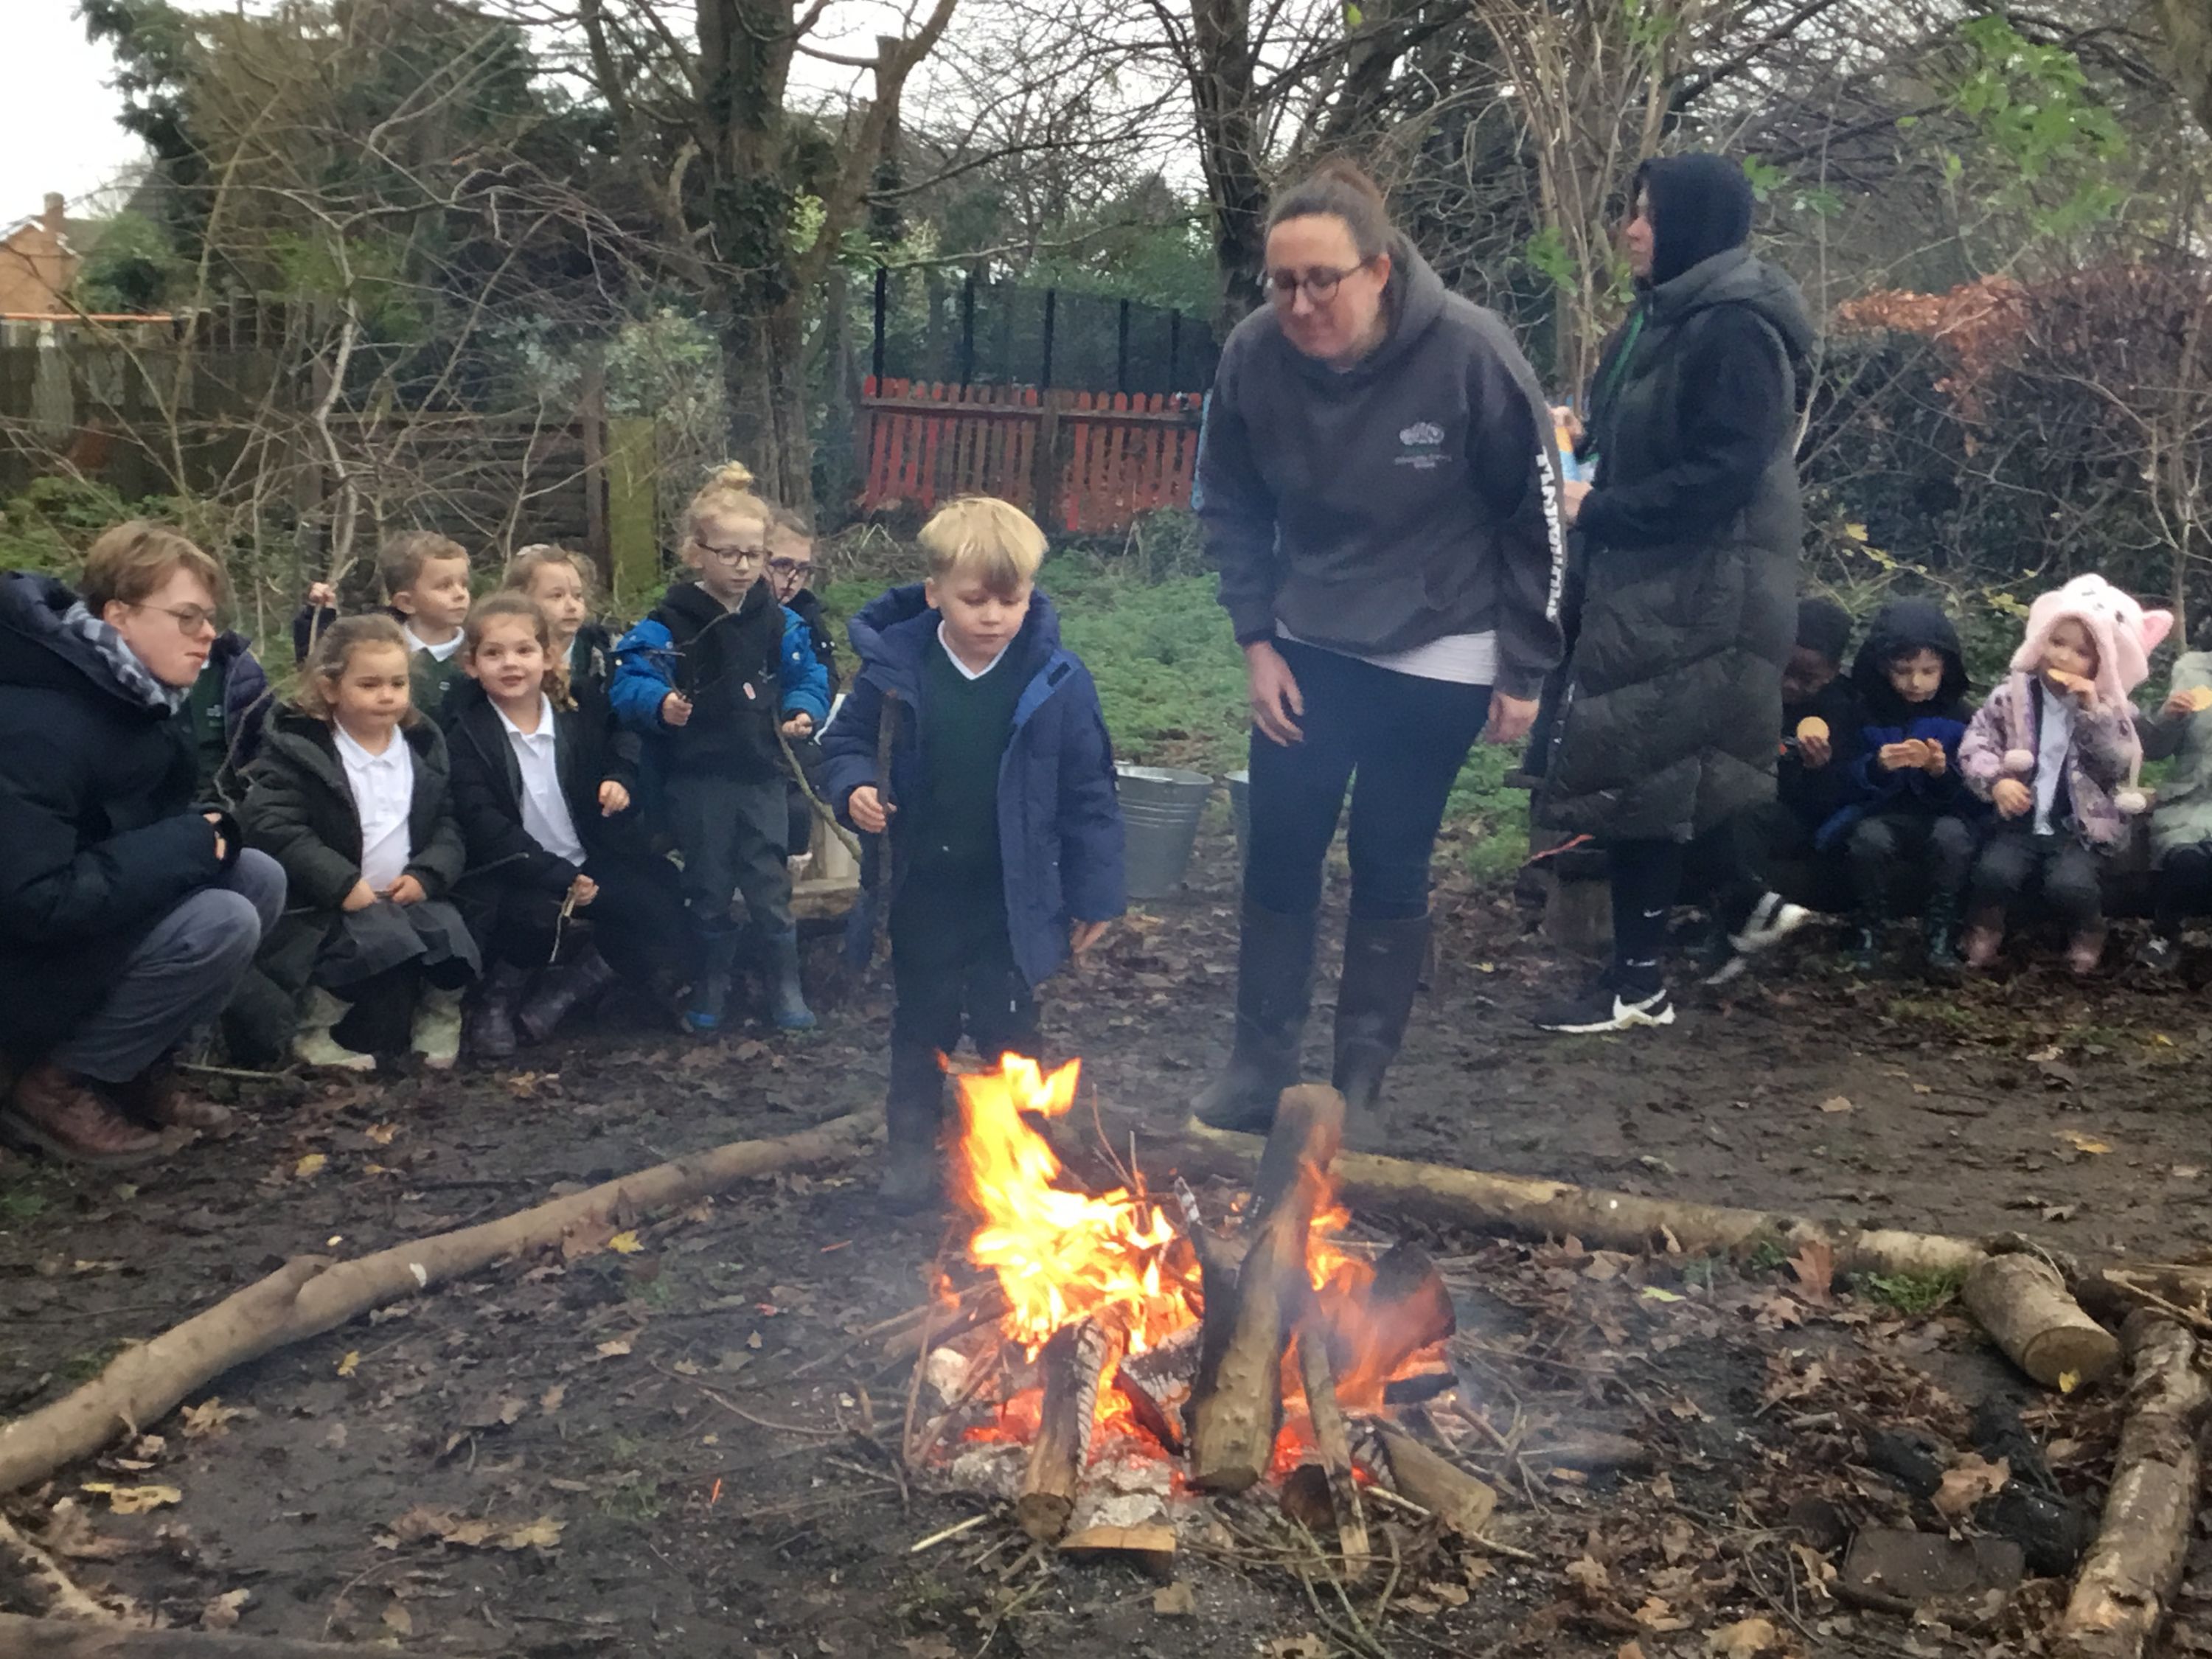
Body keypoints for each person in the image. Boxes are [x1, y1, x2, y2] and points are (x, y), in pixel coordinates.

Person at [1190, 159, 1566, 1129]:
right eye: (1283, 283)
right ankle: (1259, 1065)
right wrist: (1256, 641)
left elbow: (1536, 517)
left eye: (1324, 280)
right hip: (1307, 639)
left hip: (1440, 646)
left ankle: (1358, 1081)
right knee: (1281, 848)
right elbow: (1228, 503)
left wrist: (1524, 664)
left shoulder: (1471, 353)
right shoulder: (1254, 356)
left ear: (1380, 269)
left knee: (1390, 854)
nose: (1302, 304)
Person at [1534, 152, 1815, 1034]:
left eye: (1649, 214)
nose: (1631, 229)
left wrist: (1601, 508)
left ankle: (1638, 986)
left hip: (1704, 583)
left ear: (1693, 224)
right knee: (1655, 768)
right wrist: (1583, 438)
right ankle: (1741, 905)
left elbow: (1724, 471)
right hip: (1652, 576)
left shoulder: (1735, 329)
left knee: (1645, 776)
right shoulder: (1662, 314)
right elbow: (1653, 433)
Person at [823, 496, 1125, 1211]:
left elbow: (1089, 792)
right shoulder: (895, 669)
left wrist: (1096, 894)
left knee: (1010, 1028)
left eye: (1010, 601)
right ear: (934, 594)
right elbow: (845, 743)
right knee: (920, 1025)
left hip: (1010, 897)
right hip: (922, 888)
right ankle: (909, 1159)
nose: (993, 617)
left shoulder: (1056, 680)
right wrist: (855, 786)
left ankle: (1023, 1171)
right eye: (975, 601)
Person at [0, 522, 284, 1164]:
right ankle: (55, 1086)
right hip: (24, 958)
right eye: (187, 617)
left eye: (208, 618)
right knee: (224, 917)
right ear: (118, 615)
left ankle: (130, 1067)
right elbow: (31, 899)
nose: (207, 635)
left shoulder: (136, 697)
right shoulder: (36, 724)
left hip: (82, 929)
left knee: (257, 876)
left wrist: (198, 836)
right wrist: (187, 844)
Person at [610, 463, 830, 1034]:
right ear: (696, 553)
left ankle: (785, 985)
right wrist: (660, 703)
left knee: (768, 882)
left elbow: (808, 675)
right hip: (698, 778)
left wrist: (803, 710)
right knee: (706, 885)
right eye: (728, 553)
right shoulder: (668, 623)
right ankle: (710, 982)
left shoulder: (780, 624)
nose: (742, 566)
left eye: (754, 555)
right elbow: (629, 679)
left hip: (762, 774)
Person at [445, 595, 684, 1057]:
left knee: (657, 896)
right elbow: (483, 822)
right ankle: (497, 999)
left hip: (589, 854)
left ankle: (567, 992)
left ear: (549, 656)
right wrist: (558, 876)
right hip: (515, 869)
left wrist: (619, 777)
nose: (510, 664)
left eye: (524, 650)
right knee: (533, 917)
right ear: (471, 664)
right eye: (494, 653)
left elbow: (624, 735)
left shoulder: (580, 708)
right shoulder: (466, 734)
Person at [246, 615, 479, 1068]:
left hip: (405, 893)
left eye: (398, 683)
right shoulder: (301, 750)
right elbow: (273, 824)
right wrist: (340, 882)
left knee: (452, 937)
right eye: (369, 685)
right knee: (376, 939)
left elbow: (448, 823)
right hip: (326, 905)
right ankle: (313, 1030)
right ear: (331, 687)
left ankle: (437, 1019)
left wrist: (428, 874)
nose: (387, 695)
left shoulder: (422, 746)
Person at [1959, 574, 2168, 975]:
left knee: (2070, 885)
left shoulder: (2113, 711)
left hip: (2079, 826)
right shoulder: (2010, 697)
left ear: (2101, 663)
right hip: (2019, 819)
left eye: (2082, 652)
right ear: (2040, 642)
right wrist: (1997, 780)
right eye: (2057, 643)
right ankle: (1985, 927)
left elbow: (2118, 763)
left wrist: (2093, 714)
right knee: (1993, 873)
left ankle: (2089, 930)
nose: (2064, 658)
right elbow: (1977, 743)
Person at [1818, 599, 1980, 975]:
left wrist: (1941, 772)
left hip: (1941, 816)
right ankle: (1868, 929)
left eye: (1928, 671)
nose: (1916, 682)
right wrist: (1875, 768)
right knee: (1868, 840)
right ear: (1882, 667)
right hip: (1880, 813)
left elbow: (1976, 791)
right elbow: (1838, 780)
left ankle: (1940, 932)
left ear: (1946, 668)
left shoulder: (1961, 716)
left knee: (1953, 839)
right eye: (1904, 671)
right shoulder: (1861, 711)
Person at [293, 532, 476, 720]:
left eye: (464, 584)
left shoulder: (480, 653)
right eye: (444, 586)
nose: (460, 594)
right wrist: (318, 617)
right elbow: (318, 672)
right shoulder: (376, 648)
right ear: (406, 602)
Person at [2136, 626, 2212, 970]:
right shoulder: (2193, 669)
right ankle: (2165, 934)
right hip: (2189, 802)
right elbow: (2155, 750)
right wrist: (2170, 717)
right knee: (2187, 861)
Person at [768, 508, 838, 858]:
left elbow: (824, 676)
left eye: (803, 569)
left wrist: (804, 713)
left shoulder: (807, 616)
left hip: (797, 740)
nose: (793, 579)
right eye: (783, 565)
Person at [504, 543, 614, 704]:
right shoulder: (505, 659)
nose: (572, 606)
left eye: (578, 595)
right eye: (557, 596)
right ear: (522, 599)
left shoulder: (605, 651)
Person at [181, 625, 271, 804]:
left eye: (209, 616)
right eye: (188, 617)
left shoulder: (242, 672)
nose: (205, 629)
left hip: (232, 802)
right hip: (168, 807)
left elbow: (264, 752)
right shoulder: (143, 674)